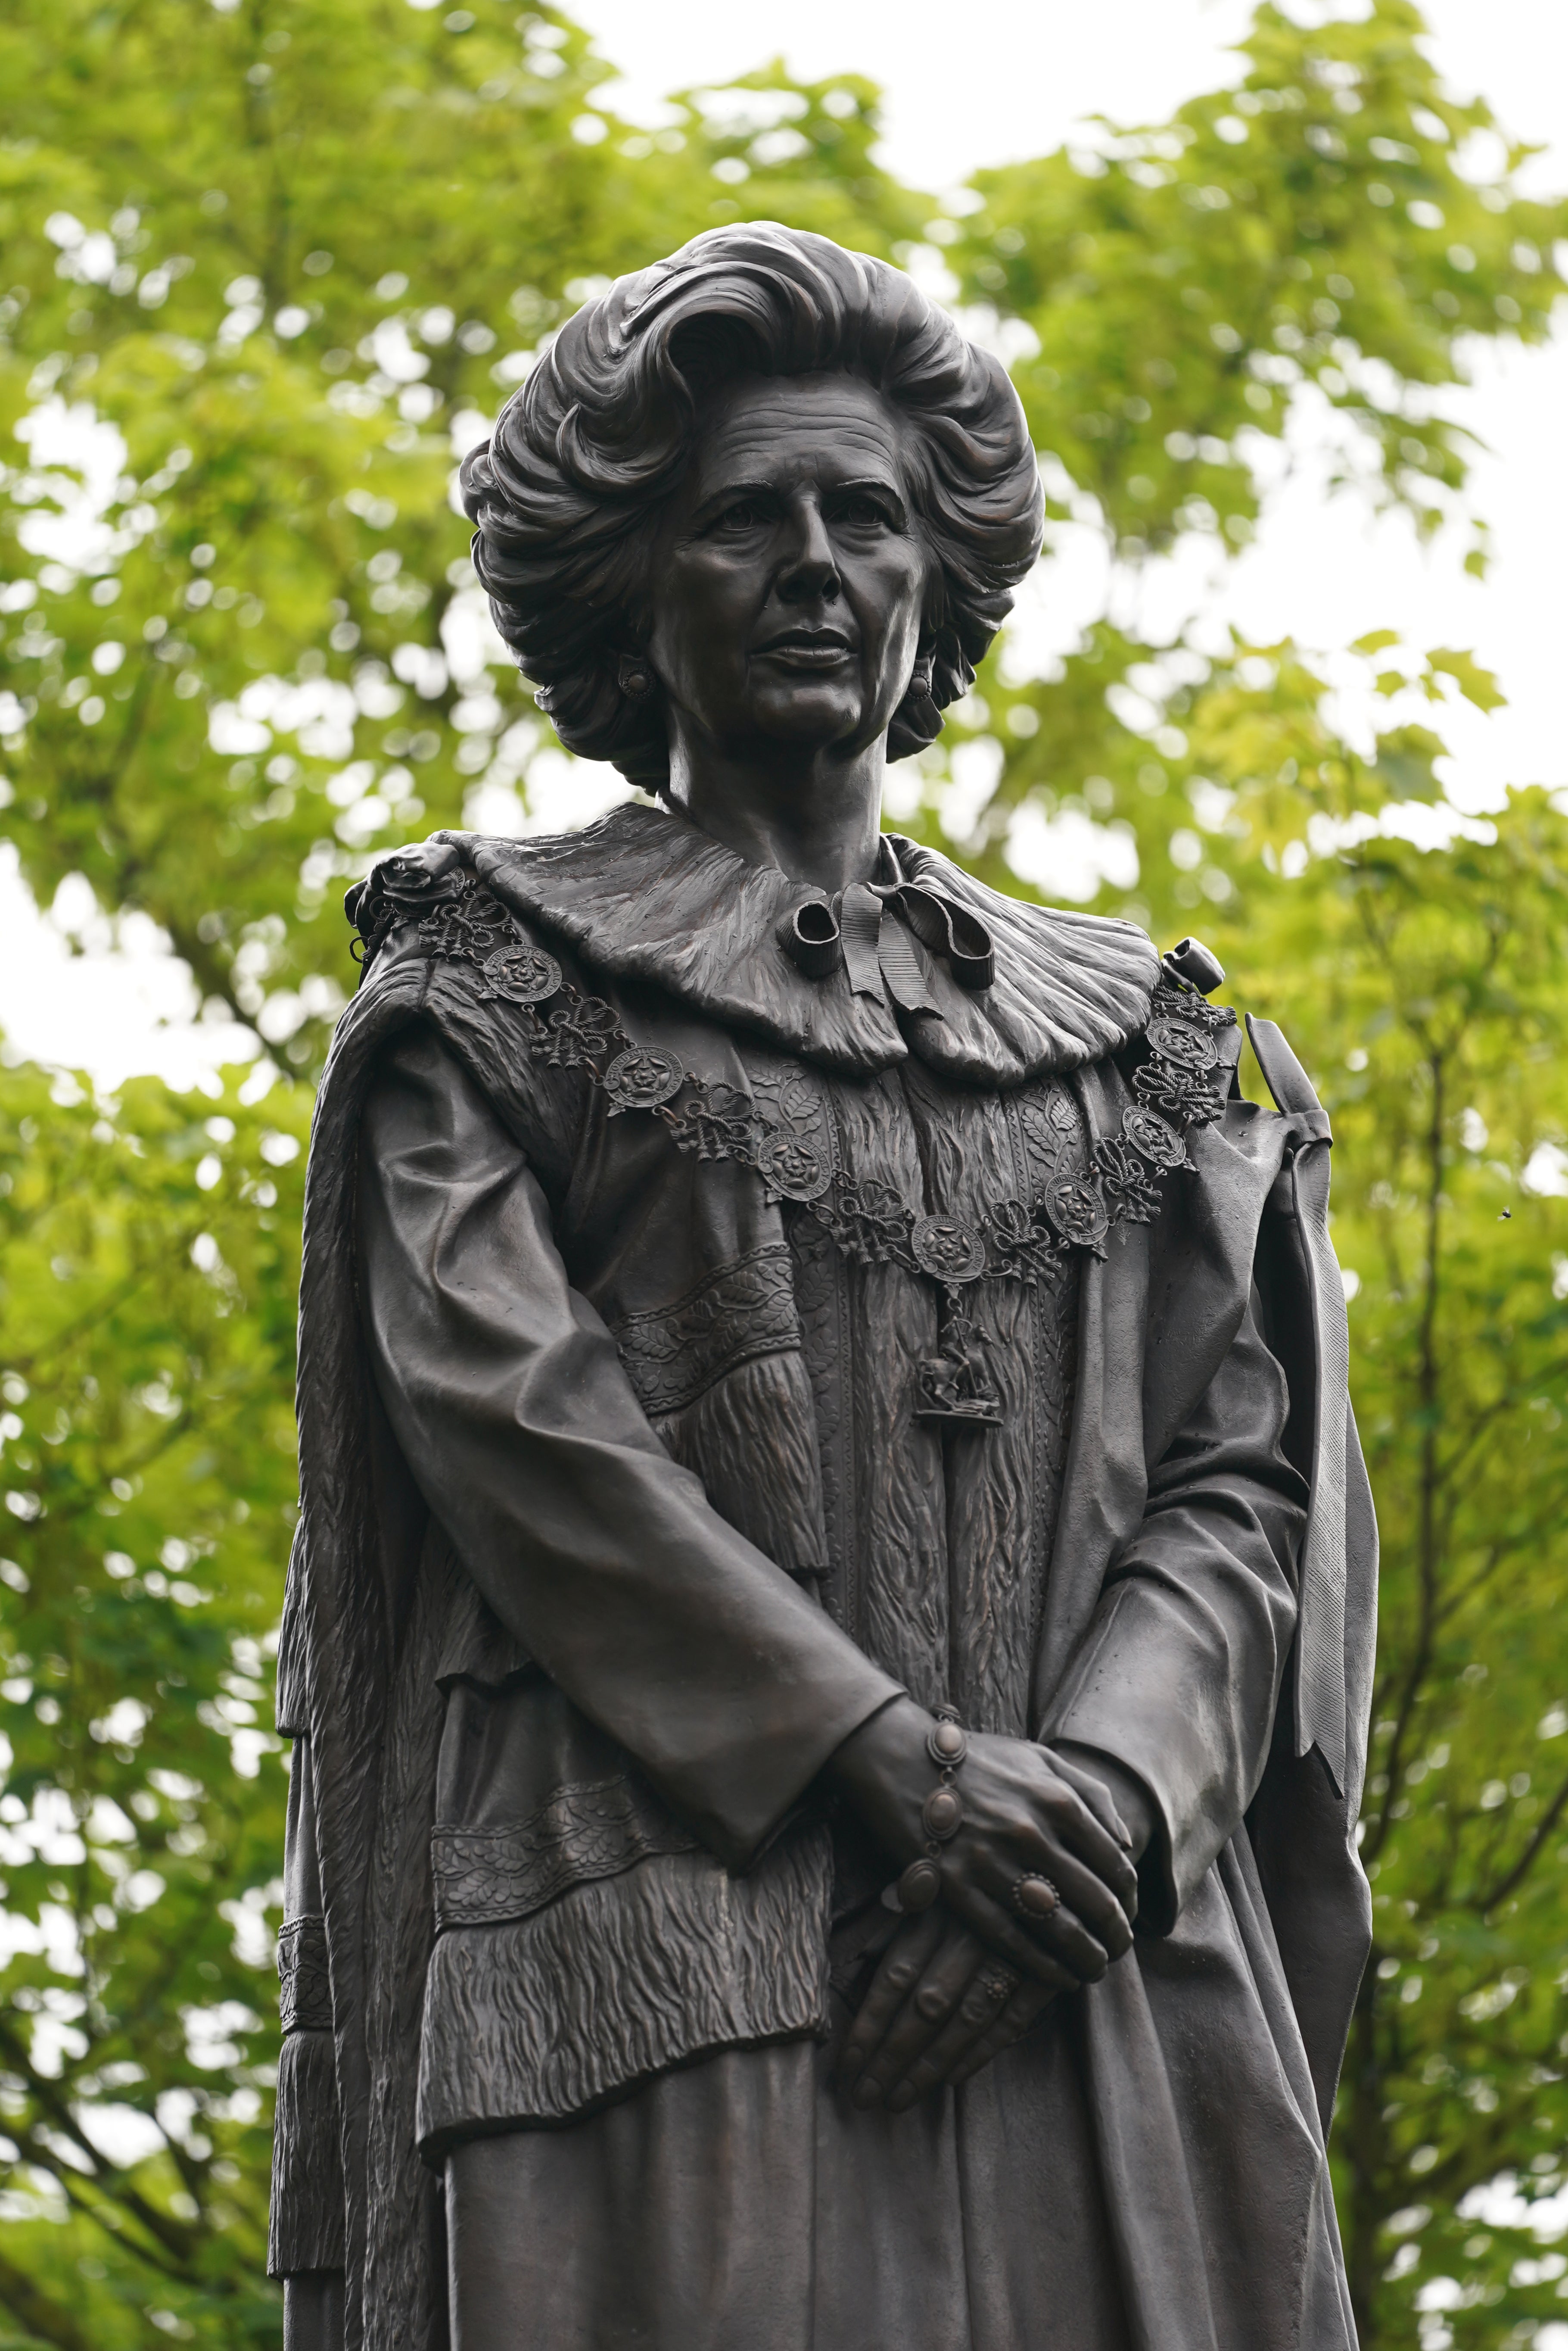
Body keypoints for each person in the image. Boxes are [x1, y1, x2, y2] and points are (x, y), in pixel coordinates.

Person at [270, 224, 1376, 2351]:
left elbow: (1246, 1482)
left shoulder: (1138, 1032)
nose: (811, 564)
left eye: (861, 516)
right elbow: (530, 1441)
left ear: (933, 576)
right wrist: (890, 1768)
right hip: (669, 1969)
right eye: (740, 519)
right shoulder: (493, 989)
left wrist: (1105, 1806)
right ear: (633, 581)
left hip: (1112, 1982)